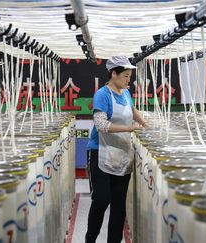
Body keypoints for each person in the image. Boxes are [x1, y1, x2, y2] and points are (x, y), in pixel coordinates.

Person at [85, 55, 148, 243]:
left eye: (129, 76)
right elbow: (101, 125)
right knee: (102, 199)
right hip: (100, 152)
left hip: (121, 153)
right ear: (114, 74)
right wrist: (130, 128)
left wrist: (144, 123)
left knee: (119, 206)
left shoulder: (126, 93)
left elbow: (132, 109)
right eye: (125, 76)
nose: (129, 80)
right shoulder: (102, 95)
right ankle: (90, 238)